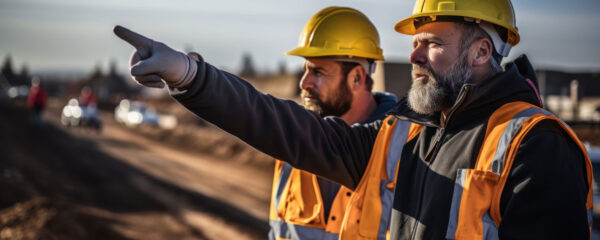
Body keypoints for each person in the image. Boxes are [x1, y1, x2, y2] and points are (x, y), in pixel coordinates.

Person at [114, 0, 593, 239]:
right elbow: (279, 124)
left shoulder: (535, 146)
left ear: (482, 51)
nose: (415, 55)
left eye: (432, 43)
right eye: (416, 41)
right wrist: (191, 76)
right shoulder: (404, 133)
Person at [268, 7, 399, 240]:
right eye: (305, 70)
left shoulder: (400, 151)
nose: (304, 83)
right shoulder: (294, 148)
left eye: (318, 72)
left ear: (357, 78)